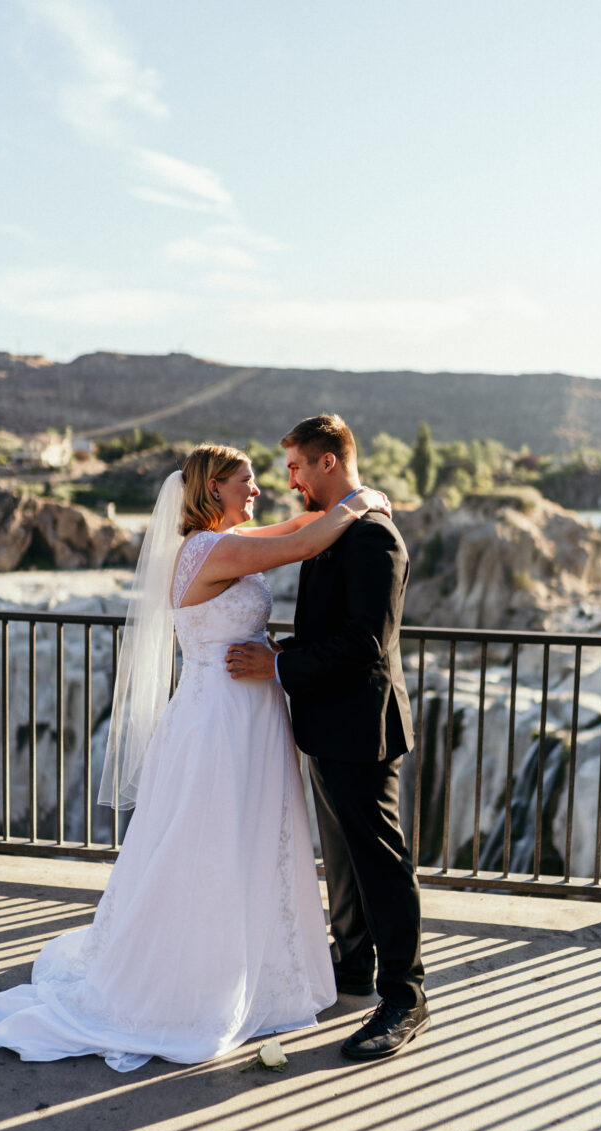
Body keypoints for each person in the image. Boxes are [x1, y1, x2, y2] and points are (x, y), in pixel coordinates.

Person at [0, 444, 388, 1071]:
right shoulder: (209, 550)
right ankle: (194, 981)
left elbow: (298, 525)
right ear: (214, 488)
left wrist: (345, 502)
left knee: (246, 840)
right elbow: (304, 542)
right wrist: (365, 502)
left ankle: (250, 965)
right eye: (246, 481)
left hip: (249, 712)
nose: (257, 490)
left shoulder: (223, 541)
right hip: (221, 719)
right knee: (210, 843)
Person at [226, 414, 428, 1061]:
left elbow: (367, 642)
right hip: (325, 724)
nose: (290, 481)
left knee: (380, 862)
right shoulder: (333, 529)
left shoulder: (375, 538)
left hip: (363, 729)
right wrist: (288, 652)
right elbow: (328, 630)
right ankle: (353, 968)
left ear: (328, 462)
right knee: (342, 859)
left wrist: (277, 667)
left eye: (296, 468)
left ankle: (405, 996)